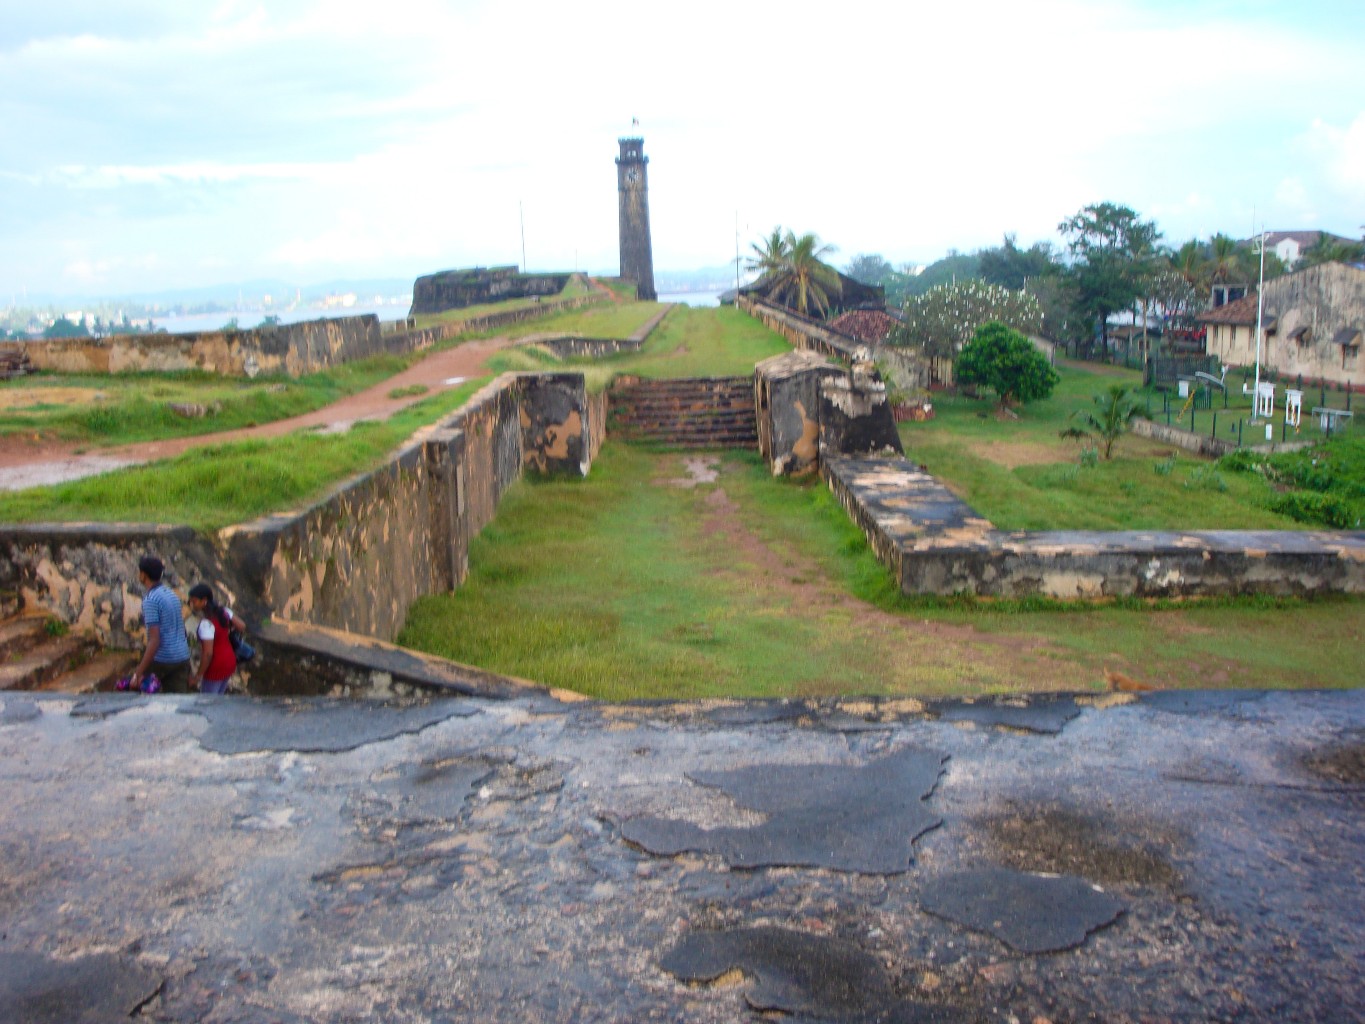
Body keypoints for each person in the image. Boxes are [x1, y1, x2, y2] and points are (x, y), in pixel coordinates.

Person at [130, 555, 191, 694]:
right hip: (182, 655)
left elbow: (154, 640)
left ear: (143, 575)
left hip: (164, 658)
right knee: (177, 701)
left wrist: (139, 673)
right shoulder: (170, 594)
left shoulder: (151, 599)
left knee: (144, 696)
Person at [186, 583, 246, 695]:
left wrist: (197, 677)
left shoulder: (206, 624)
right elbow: (242, 626)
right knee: (219, 699)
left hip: (216, 665)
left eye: (194, 601)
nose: (192, 604)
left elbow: (208, 654)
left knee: (208, 702)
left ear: (204, 600)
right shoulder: (223, 611)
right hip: (229, 660)